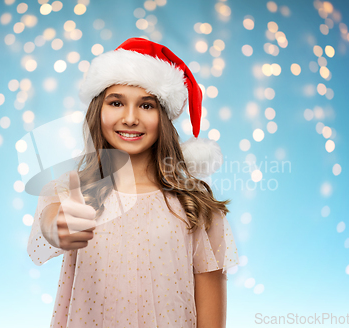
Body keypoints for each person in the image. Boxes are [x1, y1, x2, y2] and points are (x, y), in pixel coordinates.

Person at [27, 37, 239, 328]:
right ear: (98, 111)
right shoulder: (73, 191)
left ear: (163, 117)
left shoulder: (194, 207)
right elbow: (51, 224)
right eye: (116, 103)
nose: (130, 118)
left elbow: (211, 316)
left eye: (146, 105)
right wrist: (59, 227)